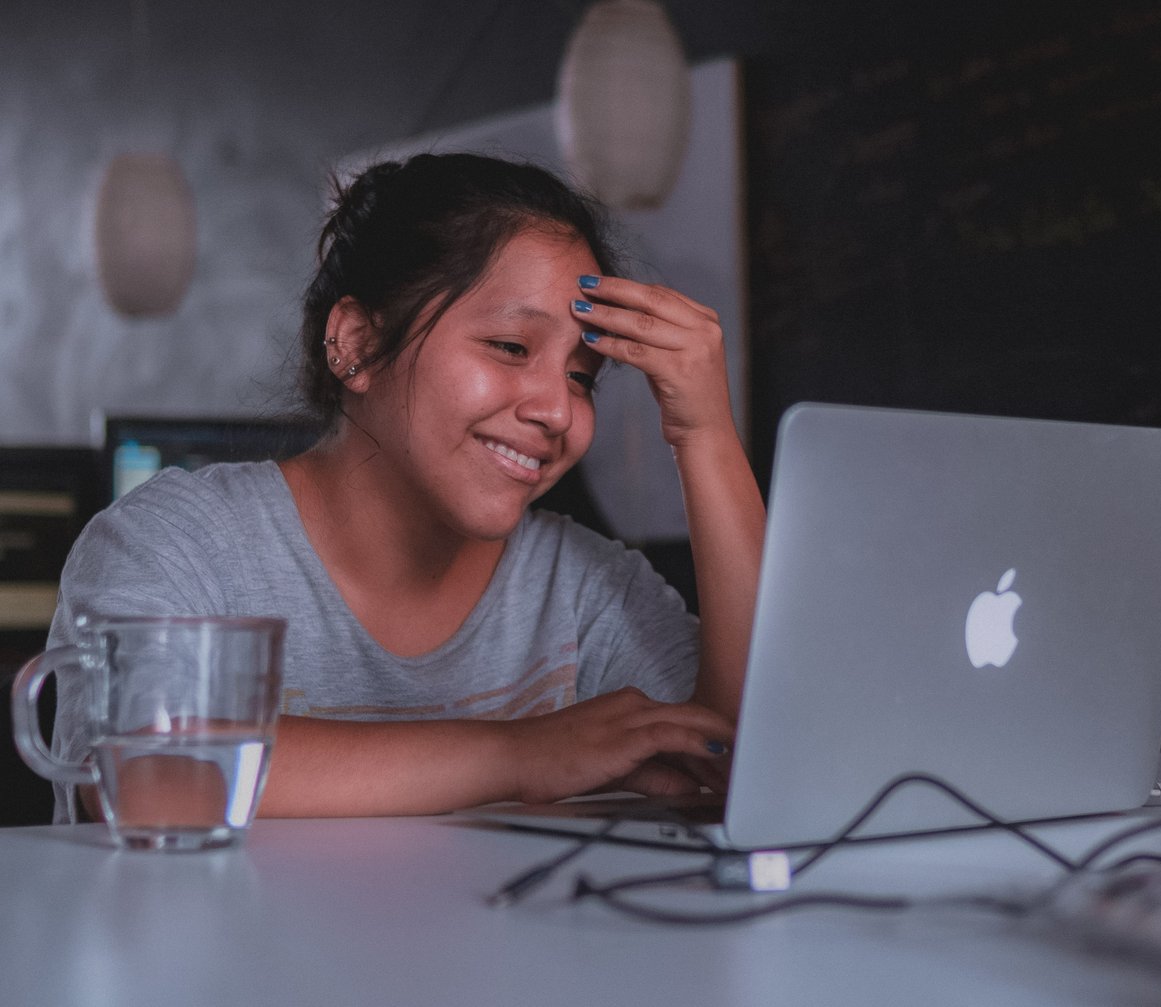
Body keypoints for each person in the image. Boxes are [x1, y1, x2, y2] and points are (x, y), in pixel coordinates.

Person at [49, 152, 766, 823]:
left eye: (582, 377)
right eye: (511, 347)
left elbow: (750, 761)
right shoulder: (175, 544)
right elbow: (138, 775)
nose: (559, 411)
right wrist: (523, 752)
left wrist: (705, 434)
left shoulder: (584, 589)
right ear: (356, 344)